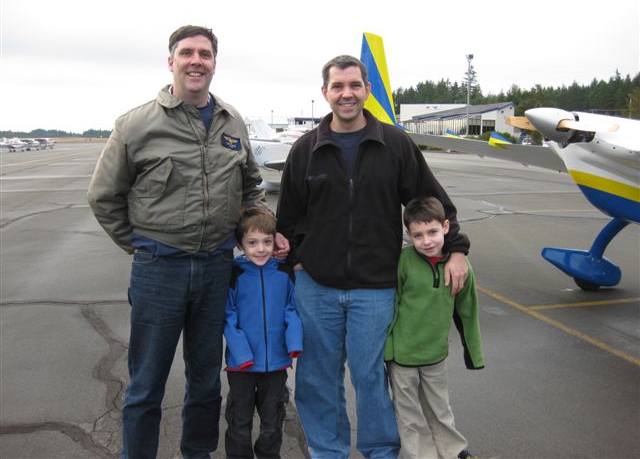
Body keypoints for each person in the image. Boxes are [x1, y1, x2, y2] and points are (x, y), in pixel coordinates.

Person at [87, 25, 287, 459]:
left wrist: (261, 229)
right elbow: (103, 196)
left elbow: (252, 185)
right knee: (146, 384)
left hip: (217, 269)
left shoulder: (231, 120)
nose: (196, 60)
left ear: (214, 63)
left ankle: (197, 453)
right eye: (187, 53)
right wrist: (141, 246)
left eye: (205, 54)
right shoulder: (136, 124)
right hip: (160, 270)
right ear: (171, 61)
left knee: (205, 382)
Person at [276, 55, 470, 459]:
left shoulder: (395, 145)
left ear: (366, 89)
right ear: (325, 92)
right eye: (337, 86)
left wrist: (457, 250)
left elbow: (432, 201)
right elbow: (288, 218)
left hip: (376, 287)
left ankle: (380, 450)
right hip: (317, 287)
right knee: (316, 378)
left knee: (371, 378)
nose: (346, 93)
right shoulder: (305, 150)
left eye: (354, 85)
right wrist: (296, 261)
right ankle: (328, 451)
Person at [384, 197, 484, 459]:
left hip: (435, 355)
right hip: (402, 357)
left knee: (440, 408)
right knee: (409, 415)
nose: (427, 241)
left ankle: (452, 450)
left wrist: (474, 354)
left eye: (432, 232)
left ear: (446, 227)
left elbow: (468, 311)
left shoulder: (460, 267)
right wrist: (387, 350)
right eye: (418, 235)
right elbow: (391, 307)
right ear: (409, 235)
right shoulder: (403, 262)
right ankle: (421, 455)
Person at [223, 206, 303, 458]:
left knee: (272, 424)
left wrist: (293, 343)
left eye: (267, 242)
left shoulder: (283, 272)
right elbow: (228, 316)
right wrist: (241, 353)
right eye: (253, 242)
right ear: (240, 244)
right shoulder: (234, 273)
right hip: (242, 367)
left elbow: (292, 308)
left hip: (276, 365)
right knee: (240, 424)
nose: (261, 249)